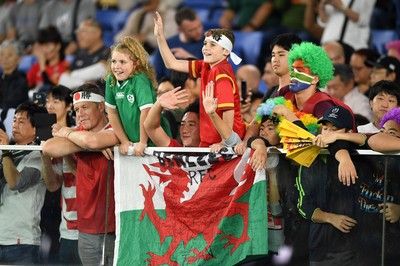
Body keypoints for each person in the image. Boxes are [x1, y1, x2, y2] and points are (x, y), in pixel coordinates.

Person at [42, 83, 120, 266]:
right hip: (85, 228)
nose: (80, 113)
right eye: (77, 109)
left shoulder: (116, 131)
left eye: (85, 107)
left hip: (115, 227)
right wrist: (90, 143)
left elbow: (93, 140)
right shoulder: (79, 134)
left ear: (101, 107)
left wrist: (68, 133)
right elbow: (48, 147)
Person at [154, 11, 246, 147]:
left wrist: (223, 143)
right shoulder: (205, 66)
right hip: (208, 143)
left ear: (226, 51)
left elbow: (228, 118)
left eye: (212, 45)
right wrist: (160, 36)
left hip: (226, 145)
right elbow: (171, 63)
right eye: (205, 44)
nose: (205, 48)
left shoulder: (222, 75)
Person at [297, 105, 358, 265]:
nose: (328, 133)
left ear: (349, 134)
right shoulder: (311, 158)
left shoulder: (359, 158)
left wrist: (345, 158)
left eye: (335, 129)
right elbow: (303, 205)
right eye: (325, 128)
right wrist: (331, 218)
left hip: (355, 247)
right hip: (320, 248)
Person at [235, 33, 302, 154]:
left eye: (281, 55)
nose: (275, 60)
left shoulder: (301, 92)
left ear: (296, 58)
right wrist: (245, 143)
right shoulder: (271, 92)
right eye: (273, 55)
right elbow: (255, 123)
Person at [105, 36, 171, 156]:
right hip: (134, 142)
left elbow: (146, 111)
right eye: (114, 61)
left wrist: (142, 141)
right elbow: (112, 113)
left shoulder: (139, 79)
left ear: (136, 64)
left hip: (153, 141)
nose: (116, 66)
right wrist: (124, 140)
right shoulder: (111, 79)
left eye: (123, 62)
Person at [0, 101, 47, 264]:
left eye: (21, 121)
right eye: (14, 120)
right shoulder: (7, 151)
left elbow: (15, 182)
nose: (15, 125)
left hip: (21, 241)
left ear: (35, 129)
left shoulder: (38, 156)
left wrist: (5, 151)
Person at [40, 85, 81, 265]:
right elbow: (53, 185)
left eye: (56, 101)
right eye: (48, 101)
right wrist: (45, 153)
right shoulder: (46, 138)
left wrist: (63, 145)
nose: (50, 105)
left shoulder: (80, 133)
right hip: (65, 225)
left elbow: (84, 176)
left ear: (69, 106)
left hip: (88, 223)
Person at [153, 6, 204, 81]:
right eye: (192, 30)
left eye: (199, 26)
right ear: (180, 30)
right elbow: (158, 77)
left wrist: (189, 58)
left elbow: (210, 71)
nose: (198, 31)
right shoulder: (166, 45)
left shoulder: (208, 44)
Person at [58, 18, 110, 90]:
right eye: (77, 32)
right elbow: (63, 79)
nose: (78, 36)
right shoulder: (80, 55)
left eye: (83, 31)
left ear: (97, 33)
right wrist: (83, 84)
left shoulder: (109, 52)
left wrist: (73, 76)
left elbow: (102, 70)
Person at [114, 0, 179, 55]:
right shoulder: (137, 14)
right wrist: (125, 40)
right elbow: (125, 32)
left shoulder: (170, 14)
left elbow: (169, 38)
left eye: (148, 2)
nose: (146, 5)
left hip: (158, 52)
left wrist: (147, 38)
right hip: (137, 50)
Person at [26, 26, 69, 95]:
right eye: (42, 46)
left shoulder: (65, 67)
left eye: (47, 45)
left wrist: (43, 68)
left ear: (58, 46)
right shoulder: (36, 66)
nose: (44, 50)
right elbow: (26, 88)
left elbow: (55, 92)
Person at [0, 40, 29, 127]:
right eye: (2, 54)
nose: (4, 58)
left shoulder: (21, 81)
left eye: (10, 55)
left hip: (12, 122)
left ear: (19, 59)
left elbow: (9, 105)